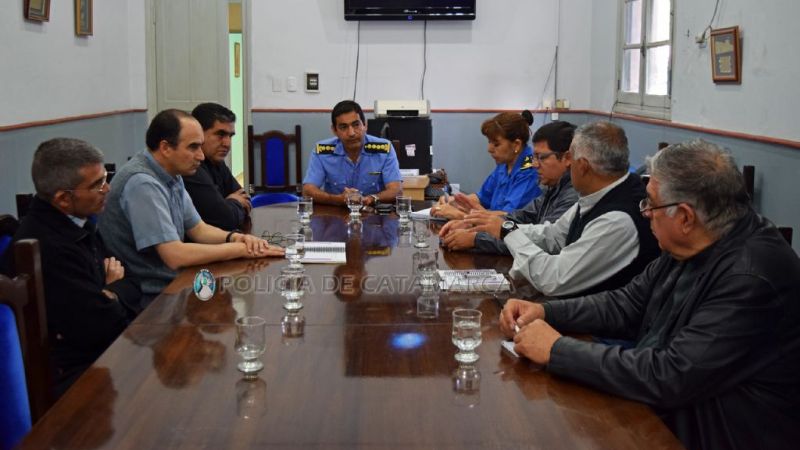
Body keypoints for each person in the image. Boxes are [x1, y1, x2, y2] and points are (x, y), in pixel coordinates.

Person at [499, 140, 800, 450]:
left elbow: (671, 375)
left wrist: (557, 350)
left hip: (714, 434)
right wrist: (546, 312)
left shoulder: (751, 276)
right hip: (672, 414)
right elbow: (626, 304)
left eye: (651, 204)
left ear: (685, 217)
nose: (644, 213)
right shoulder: (696, 240)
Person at [3, 138, 141, 398]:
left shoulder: (79, 222)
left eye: (105, 178)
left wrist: (109, 292)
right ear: (64, 199)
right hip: (74, 375)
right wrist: (113, 291)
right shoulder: (49, 247)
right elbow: (101, 325)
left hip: (101, 351)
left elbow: (133, 281)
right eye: (97, 184)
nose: (107, 188)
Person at [98, 109, 283, 302]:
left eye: (201, 147)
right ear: (166, 148)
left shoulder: (172, 172)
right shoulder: (142, 183)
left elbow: (199, 229)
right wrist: (241, 250)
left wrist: (237, 237)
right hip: (151, 297)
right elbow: (174, 256)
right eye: (193, 147)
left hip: (175, 283)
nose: (201, 156)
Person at [469, 121, 659, 297]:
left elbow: (553, 278)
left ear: (582, 166)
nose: (568, 164)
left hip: (597, 320)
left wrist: (508, 232)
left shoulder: (617, 219)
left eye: (570, 157)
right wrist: (503, 228)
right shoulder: (598, 194)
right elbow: (553, 235)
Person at [439, 121, 578, 252]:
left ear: (567, 158)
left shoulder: (570, 194)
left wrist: (475, 236)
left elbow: (540, 241)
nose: (535, 164)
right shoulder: (551, 185)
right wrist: (474, 224)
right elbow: (520, 217)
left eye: (496, 143)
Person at [431, 112, 541, 220]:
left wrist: (462, 215)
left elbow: (509, 217)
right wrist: (453, 202)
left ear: (516, 144)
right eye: (489, 142)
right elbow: (482, 197)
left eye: (496, 144)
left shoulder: (530, 169)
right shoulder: (504, 164)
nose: (489, 149)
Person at [302, 100, 403, 206]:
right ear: (334, 130)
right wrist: (338, 199)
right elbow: (308, 191)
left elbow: (396, 190)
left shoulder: (384, 149)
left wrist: (370, 199)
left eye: (356, 125)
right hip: (335, 212)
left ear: (365, 125)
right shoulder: (323, 151)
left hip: (373, 212)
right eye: (343, 127)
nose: (351, 133)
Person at [183, 102, 251, 231]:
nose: (227, 143)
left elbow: (245, 199)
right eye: (220, 134)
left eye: (230, 136)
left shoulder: (217, 161)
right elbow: (225, 220)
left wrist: (226, 204)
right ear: (199, 133)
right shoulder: (191, 167)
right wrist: (232, 203)